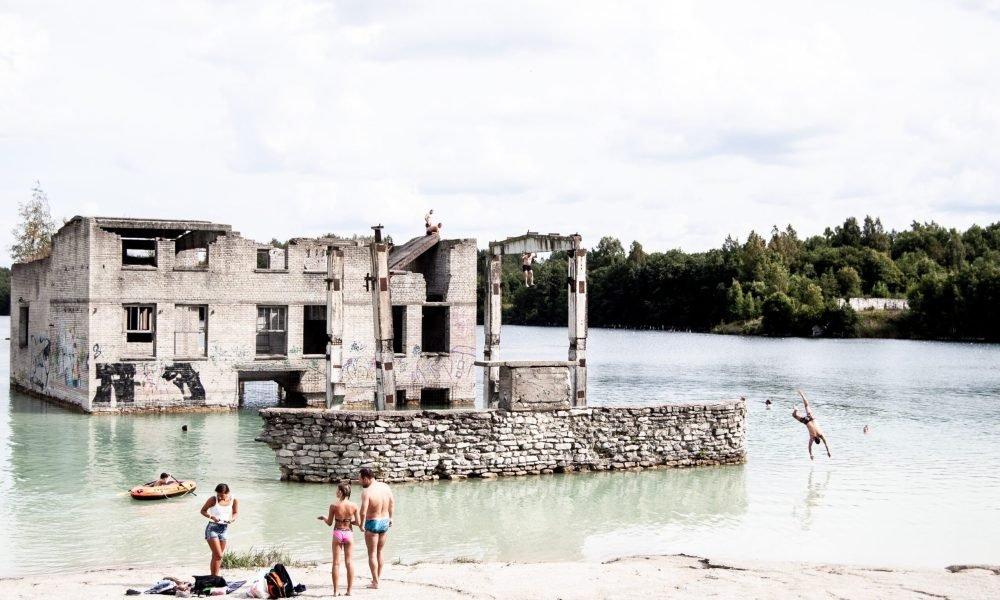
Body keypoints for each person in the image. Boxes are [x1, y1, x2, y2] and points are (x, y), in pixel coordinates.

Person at [318, 482, 361, 596]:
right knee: (349, 562)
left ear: (341, 492)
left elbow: (329, 523)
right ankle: (349, 591)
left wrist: (324, 518)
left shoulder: (334, 506)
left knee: (336, 563)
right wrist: (348, 522)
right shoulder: (354, 506)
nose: (336, 492)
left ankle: (336, 591)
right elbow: (359, 522)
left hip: (337, 533)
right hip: (348, 533)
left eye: (337, 490)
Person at [358, 467, 394, 590]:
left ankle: (376, 583)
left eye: (360, 479)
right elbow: (392, 503)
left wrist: (361, 524)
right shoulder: (385, 487)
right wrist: (391, 518)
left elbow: (363, 512)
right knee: (380, 552)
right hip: (384, 521)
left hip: (372, 522)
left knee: (372, 554)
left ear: (366, 478)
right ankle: (376, 578)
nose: (359, 482)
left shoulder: (367, 492)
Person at [200, 483, 238, 577]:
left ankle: (214, 577)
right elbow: (203, 511)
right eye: (218, 494)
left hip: (224, 529)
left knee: (216, 556)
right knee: (219, 555)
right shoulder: (213, 499)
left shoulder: (234, 499)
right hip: (212, 528)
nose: (220, 497)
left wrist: (232, 519)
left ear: (227, 493)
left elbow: (236, 513)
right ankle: (214, 577)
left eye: (222, 495)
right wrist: (211, 516)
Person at [792, 390, 831, 460]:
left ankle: (801, 394)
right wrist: (811, 455)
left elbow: (826, 444)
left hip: (812, 418)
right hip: (806, 421)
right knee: (794, 415)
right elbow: (809, 447)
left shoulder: (821, 434)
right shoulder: (812, 438)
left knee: (806, 405)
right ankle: (796, 410)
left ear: (819, 439)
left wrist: (828, 451)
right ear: (815, 440)